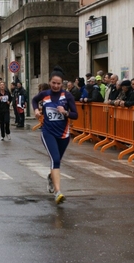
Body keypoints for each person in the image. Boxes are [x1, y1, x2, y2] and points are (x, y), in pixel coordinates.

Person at [32, 66, 78, 205]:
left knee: (57, 160)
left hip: (63, 134)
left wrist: (65, 112)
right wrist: (35, 111)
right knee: (55, 159)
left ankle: (51, 177)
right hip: (48, 132)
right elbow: (34, 100)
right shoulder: (44, 94)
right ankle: (58, 192)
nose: (56, 86)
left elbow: (75, 115)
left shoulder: (67, 96)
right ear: (50, 82)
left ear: (62, 84)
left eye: (59, 83)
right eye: (53, 83)